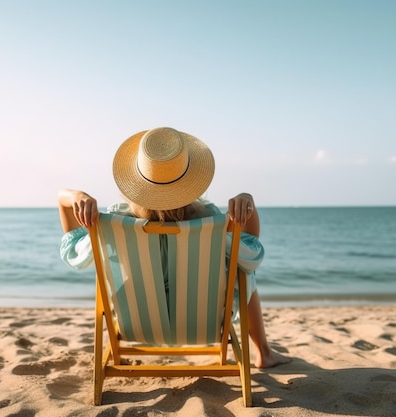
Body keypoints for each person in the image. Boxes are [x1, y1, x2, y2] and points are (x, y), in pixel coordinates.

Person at [58, 127, 290, 368]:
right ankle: (264, 352)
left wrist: (76, 196)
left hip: (135, 328)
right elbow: (253, 255)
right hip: (205, 327)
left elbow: (71, 249)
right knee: (243, 272)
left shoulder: (113, 225)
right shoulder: (210, 223)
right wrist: (247, 201)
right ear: (190, 178)